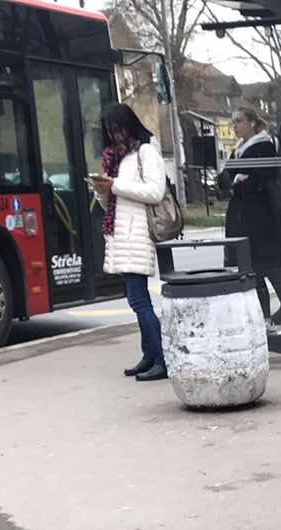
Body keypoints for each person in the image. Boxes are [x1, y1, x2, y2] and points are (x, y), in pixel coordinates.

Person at [91, 104, 168, 382]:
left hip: (137, 235)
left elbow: (155, 191)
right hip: (121, 235)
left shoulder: (146, 151)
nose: (114, 135)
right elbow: (112, 201)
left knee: (139, 299)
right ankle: (150, 355)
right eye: (110, 131)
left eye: (118, 128)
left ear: (129, 125)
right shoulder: (119, 157)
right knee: (135, 299)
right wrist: (102, 190)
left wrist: (114, 186)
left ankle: (162, 357)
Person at [222, 108, 281, 328]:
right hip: (246, 218)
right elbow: (224, 181)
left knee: (264, 266)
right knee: (255, 268)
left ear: (253, 123)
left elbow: (255, 182)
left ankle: (276, 311)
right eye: (233, 122)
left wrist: (239, 181)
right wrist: (237, 180)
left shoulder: (262, 147)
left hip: (259, 220)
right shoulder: (238, 150)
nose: (234, 126)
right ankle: (267, 313)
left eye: (238, 121)